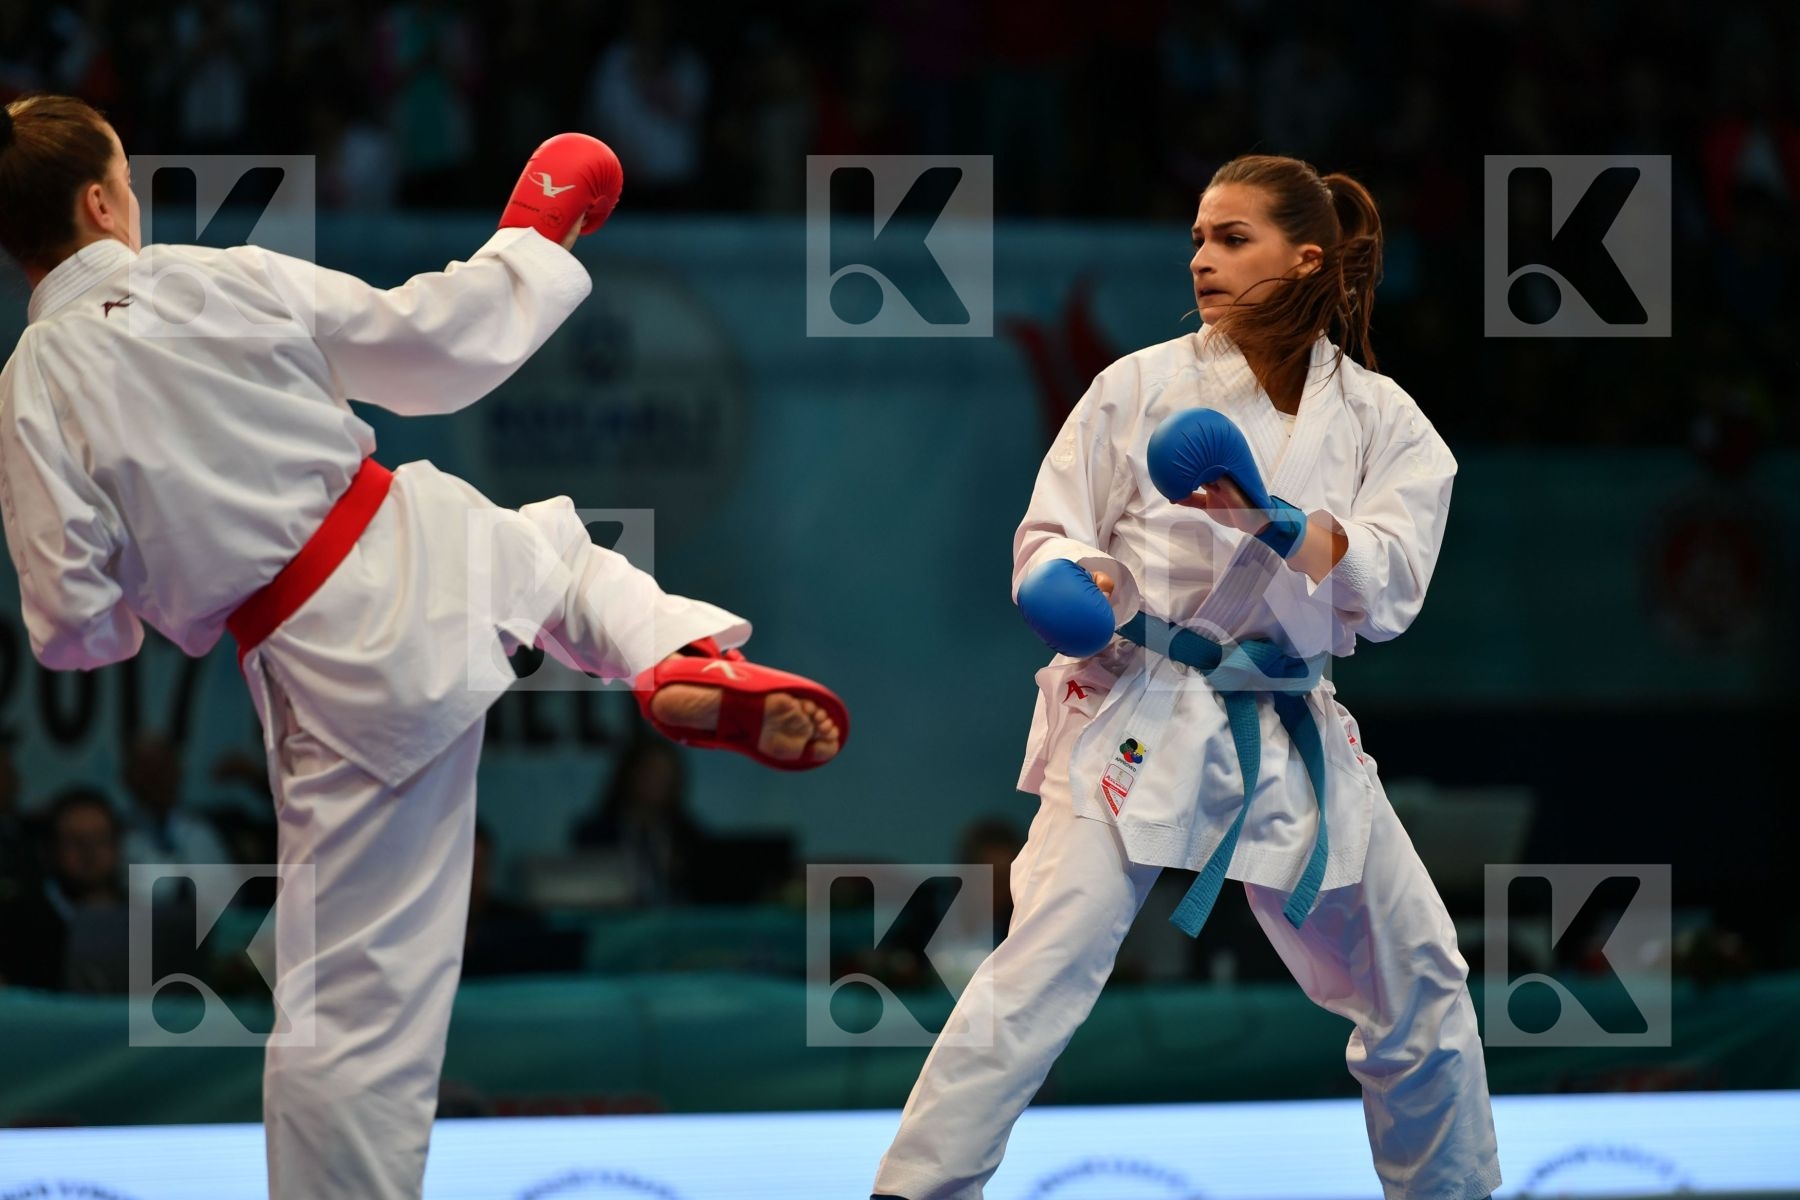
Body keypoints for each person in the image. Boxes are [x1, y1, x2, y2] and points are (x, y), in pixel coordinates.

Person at [0, 93, 844, 1200]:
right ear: (104, 203)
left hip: (326, 662)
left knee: (352, 1011)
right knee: (562, 564)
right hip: (411, 528)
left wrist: (136, 609)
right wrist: (528, 238)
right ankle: (680, 654)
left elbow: (70, 625)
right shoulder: (213, 276)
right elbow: (426, 347)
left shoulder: (34, 383)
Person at [872, 156, 1500, 1200]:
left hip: (1290, 718)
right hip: (1142, 703)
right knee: (1037, 974)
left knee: (1422, 983)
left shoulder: (1385, 422)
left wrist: (1284, 524)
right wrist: (1069, 583)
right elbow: (1050, 533)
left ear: (1308, 258)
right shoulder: (1138, 386)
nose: (1203, 259)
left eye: (1233, 239)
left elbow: (1391, 591)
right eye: (1198, 239)